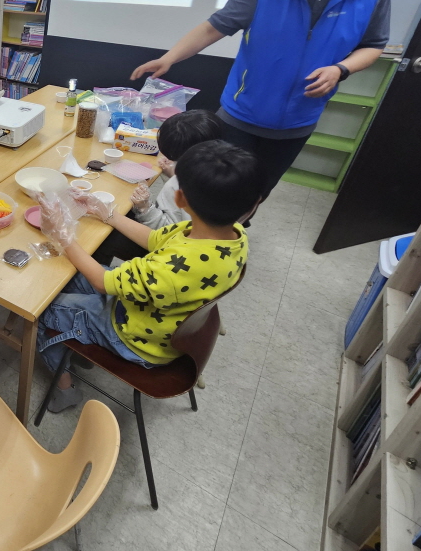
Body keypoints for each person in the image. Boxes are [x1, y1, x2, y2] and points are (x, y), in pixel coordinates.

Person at [131, 0, 400, 197]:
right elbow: (212, 28)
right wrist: (170, 58)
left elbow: (374, 45)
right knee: (213, 192)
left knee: (256, 194)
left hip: (299, 120)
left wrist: (341, 69)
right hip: (240, 117)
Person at [36, 140, 262, 413]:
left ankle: (65, 390)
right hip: (154, 315)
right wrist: (108, 215)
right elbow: (156, 239)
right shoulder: (234, 234)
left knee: (41, 307)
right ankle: (77, 342)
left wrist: (63, 236)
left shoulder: (170, 269)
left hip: (135, 338)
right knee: (69, 278)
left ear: (180, 198)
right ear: (253, 205)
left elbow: (102, 283)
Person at [96, 109, 225, 263]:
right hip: (204, 247)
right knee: (123, 212)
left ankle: (93, 276)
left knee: (103, 236)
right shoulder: (220, 171)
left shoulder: (183, 187)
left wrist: (145, 209)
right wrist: (173, 174)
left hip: (174, 253)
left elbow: (168, 234)